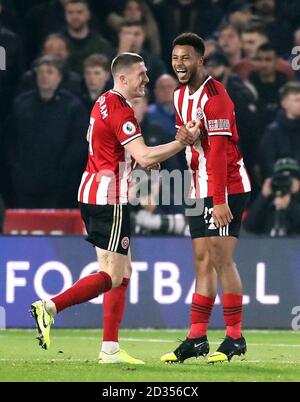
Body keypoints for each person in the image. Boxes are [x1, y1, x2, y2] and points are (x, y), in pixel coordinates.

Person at [30, 52, 199, 364]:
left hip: (91, 191)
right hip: (109, 199)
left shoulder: (102, 101)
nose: (146, 80)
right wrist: (182, 141)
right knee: (113, 274)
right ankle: (50, 307)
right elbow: (146, 157)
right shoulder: (121, 110)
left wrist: (133, 165)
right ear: (122, 78)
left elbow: (103, 144)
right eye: (141, 74)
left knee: (122, 271)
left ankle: (109, 348)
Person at [160, 33, 251, 364]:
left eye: (186, 58)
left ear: (201, 60)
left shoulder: (217, 97)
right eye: (175, 58)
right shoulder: (179, 94)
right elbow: (188, 135)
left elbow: (220, 153)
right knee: (201, 259)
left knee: (220, 259)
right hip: (197, 187)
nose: (179, 64)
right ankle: (197, 337)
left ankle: (235, 337)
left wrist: (219, 199)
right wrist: (182, 136)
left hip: (225, 187)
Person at [9, 55, 88, 208]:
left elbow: (78, 142)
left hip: (60, 181)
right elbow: (10, 137)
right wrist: (15, 166)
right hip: (25, 179)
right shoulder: (21, 103)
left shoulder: (73, 106)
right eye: (41, 72)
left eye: (49, 72)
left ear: (59, 77)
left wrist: (63, 169)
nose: (44, 76)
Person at [244, 158, 300, 236]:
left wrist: (291, 204)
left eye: (289, 179)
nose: (284, 182)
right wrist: (263, 196)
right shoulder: (266, 203)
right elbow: (248, 226)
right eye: (280, 178)